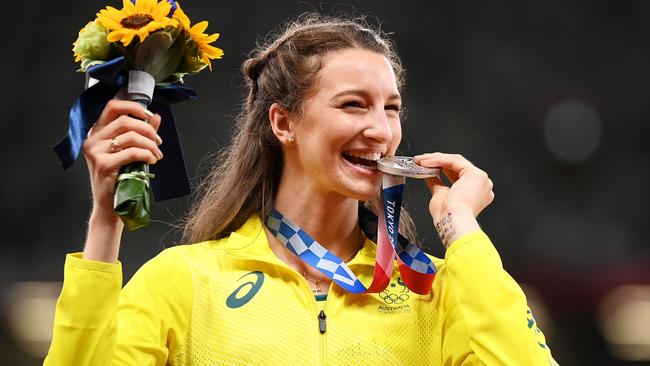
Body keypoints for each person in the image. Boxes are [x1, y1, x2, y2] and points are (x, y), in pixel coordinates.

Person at [45, 13, 558, 365]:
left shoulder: (437, 290)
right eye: (354, 105)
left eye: (392, 108)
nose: (381, 130)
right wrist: (106, 221)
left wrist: (462, 231)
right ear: (283, 122)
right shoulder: (186, 282)